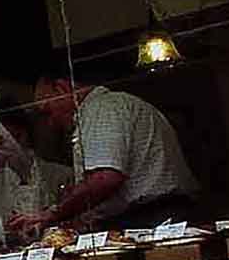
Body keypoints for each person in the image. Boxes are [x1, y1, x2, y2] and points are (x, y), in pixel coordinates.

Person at [15, 75, 199, 235]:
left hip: (150, 217)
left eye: (47, 111)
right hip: (155, 214)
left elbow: (105, 178)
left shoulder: (101, 109)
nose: (51, 123)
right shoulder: (116, 105)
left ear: (61, 88)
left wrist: (54, 213)